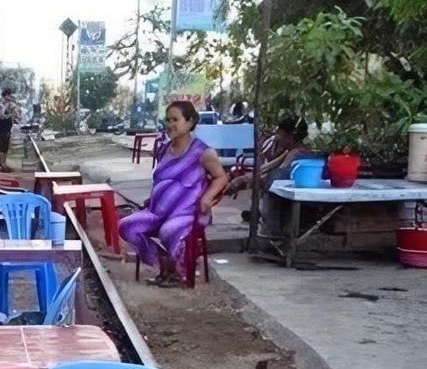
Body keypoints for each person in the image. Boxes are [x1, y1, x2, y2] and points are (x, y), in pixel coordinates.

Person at [119, 100, 228, 284]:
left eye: (175, 119)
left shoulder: (203, 152)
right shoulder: (163, 149)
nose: (170, 125)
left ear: (190, 122)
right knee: (127, 226)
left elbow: (221, 177)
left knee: (169, 230)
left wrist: (207, 198)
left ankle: (179, 272)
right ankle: (164, 262)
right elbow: (162, 180)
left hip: (188, 213)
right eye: (168, 120)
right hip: (157, 212)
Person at [226, 116, 309, 195]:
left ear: (289, 137)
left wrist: (244, 180)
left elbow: (275, 177)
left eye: (280, 135)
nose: (278, 138)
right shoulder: (289, 151)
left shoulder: (296, 153)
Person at [0, 88, 21, 172]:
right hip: (3, 128)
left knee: (5, 146)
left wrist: (14, 112)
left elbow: (15, 113)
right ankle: (1, 163)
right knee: (3, 145)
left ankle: (3, 163)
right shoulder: (1, 105)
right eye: (9, 95)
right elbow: (2, 116)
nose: (10, 97)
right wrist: (11, 115)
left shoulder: (7, 104)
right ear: (5, 96)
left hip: (7, 127)